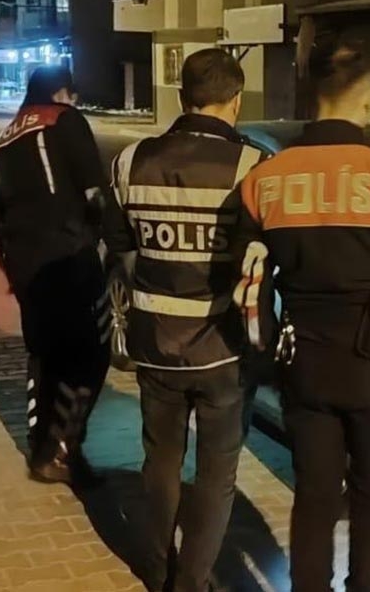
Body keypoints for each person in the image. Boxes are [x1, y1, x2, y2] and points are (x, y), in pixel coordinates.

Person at [233, 45, 370, 592]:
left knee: (314, 495)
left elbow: (250, 282)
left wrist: (263, 351)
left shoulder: (265, 179)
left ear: (312, 94)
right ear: (364, 96)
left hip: (304, 359)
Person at [111, 49, 265, 592]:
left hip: (154, 342)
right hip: (222, 346)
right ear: (236, 100)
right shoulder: (250, 167)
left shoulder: (130, 161)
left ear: (182, 96)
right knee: (217, 473)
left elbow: (121, 247)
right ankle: (192, 581)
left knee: (160, 460)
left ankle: (157, 569)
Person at [0, 66, 133, 482]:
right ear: (61, 93)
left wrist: (12, 269)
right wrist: (117, 243)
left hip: (26, 267)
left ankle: (41, 450)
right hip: (69, 258)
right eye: (72, 95)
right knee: (90, 354)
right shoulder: (63, 119)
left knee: (45, 356)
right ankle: (64, 449)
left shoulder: (1, 142)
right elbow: (95, 192)